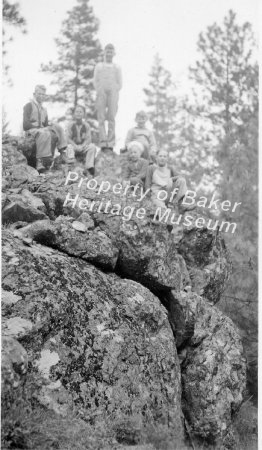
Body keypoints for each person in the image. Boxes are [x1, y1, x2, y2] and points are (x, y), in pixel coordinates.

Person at [23, 85, 67, 173]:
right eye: (39, 94)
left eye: (43, 94)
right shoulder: (29, 105)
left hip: (42, 130)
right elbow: (25, 125)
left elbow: (46, 124)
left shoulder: (44, 109)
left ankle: (62, 151)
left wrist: (49, 126)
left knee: (57, 126)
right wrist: (40, 128)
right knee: (44, 133)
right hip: (31, 131)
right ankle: (40, 162)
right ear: (34, 94)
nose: (41, 96)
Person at [93, 43, 122, 150]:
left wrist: (114, 90)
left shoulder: (117, 67)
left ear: (114, 53)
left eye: (111, 51)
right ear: (104, 52)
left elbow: (120, 83)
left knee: (111, 117)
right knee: (101, 117)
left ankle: (110, 142)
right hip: (101, 92)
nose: (109, 53)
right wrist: (100, 90)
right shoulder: (99, 66)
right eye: (107, 51)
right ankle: (102, 141)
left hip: (113, 93)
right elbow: (95, 81)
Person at [67, 105, 97, 176]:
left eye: (80, 112)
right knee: (69, 147)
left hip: (83, 147)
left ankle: (89, 166)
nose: (78, 113)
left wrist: (82, 146)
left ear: (84, 114)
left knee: (92, 146)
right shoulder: (70, 125)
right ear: (74, 114)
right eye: (77, 112)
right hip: (74, 147)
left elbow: (88, 139)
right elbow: (68, 138)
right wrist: (75, 146)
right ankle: (71, 165)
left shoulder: (86, 125)